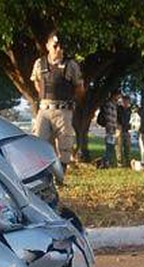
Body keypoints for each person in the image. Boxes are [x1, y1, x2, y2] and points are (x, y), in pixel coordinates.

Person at [30, 31, 84, 174]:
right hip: (44, 110)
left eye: (61, 46)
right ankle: (41, 174)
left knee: (65, 143)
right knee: (38, 141)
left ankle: (60, 175)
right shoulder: (39, 64)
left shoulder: (71, 65)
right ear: (48, 46)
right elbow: (36, 83)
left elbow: (79, 87)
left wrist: (70, 102)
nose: (59, 49)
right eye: (55, 46)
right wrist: (45, 97)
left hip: (63, 110)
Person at [100, 89, 120, 168]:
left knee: (111, 146)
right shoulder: (109, 104)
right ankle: (104, 162)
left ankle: (106, 162)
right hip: (109, 128)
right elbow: (108, 117)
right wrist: (110, 127)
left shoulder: (115, 105)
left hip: (113, 128)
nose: (119, 98)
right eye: (118, 96)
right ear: (114, 95)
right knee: (109, 146)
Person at [116, 95, 132, 167]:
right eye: (124, 101)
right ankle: (120, 163)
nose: (126, 103)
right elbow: (116, 118)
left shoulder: (129, 110)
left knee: (127, 147)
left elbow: (128, 120)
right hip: (119, 129)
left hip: (126, 130)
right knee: (119, 147)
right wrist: (118, 126)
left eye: (127, 101)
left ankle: (127, 161)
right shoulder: (118, 109)